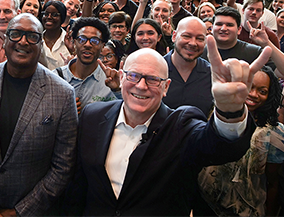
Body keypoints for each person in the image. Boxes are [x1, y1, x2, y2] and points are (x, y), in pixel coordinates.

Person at [64, 36, 272, 215]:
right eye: (134, 76)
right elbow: (78, 185)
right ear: (121, 77)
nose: (141, 86)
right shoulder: (93, 116)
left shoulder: (182, 124)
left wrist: (230, 111)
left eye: (153, 79)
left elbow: (220, 147)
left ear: (166, 87)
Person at [0, 13, 78, 216]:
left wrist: (19, 212)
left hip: (32, 210)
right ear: (5, 41)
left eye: (32, 36)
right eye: (16, 34)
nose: (23, 41)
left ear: (41, 43)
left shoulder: (63, 94)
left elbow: (63, 166)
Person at [198, 66, 284, 216]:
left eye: (262, 91)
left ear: (270, 95)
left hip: (248, 210)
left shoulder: (273, 133)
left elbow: (272, 182)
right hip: (205, 204)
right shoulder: (215, 114)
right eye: (249, 87)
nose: (253, 94)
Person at [55, 17, 122, 112]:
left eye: (94, 41)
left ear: (103, 45)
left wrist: (118, 91)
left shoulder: (110, 81)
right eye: (82, 39)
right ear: (74, 42)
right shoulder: (56, 77)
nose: (87, 44)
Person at [163, 17, 212, 117]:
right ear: (174, 36)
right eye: (186, 36)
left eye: (199, 39)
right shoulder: (156, 69)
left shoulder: (212, 74)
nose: (193, 43)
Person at [42, 0, 71, 70]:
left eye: (54, 15)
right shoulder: (36, 39)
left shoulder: (70, 41)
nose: (49, 17)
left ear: (62, 18)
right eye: (46, 14)